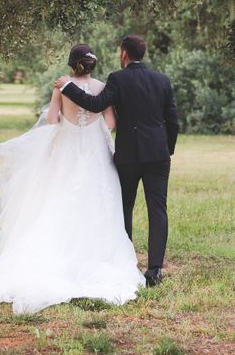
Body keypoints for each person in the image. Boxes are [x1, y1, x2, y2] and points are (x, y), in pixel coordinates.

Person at [0, 44, 145, 314]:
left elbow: (52, 120)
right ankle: (98, 259)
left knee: (60, 199)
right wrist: (93, 123)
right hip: (96, 151)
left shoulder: (61, 87)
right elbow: (110, 124)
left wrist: (68, 117)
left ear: (72, 64)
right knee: (99, 201)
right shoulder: (102, 87)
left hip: (68, 150)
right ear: (92, 65)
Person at [55, 35, 179, 287]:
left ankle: (126, 261)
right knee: (158, 209)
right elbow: (173, 120)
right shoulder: (162, 80)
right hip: (158, 155)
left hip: (129, 156)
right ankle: (154, 269)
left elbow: (95, 103)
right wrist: (168, 149)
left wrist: (67, 86)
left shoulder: (117, 79)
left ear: (124, 54)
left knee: (123, 208)